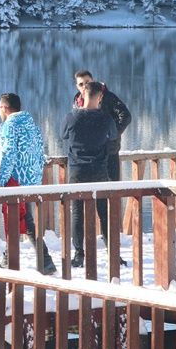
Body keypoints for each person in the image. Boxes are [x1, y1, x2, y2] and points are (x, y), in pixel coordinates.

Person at [0, 92, 56, 275]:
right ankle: (33, 261)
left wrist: (1, 180)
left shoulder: (9, 125)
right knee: (23, 220)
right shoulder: (31, 125)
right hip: (32, 180)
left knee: (21, 219)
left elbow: (9, 154)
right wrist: (36, 177)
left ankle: (43, 261)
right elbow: (40, 153)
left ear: (4, 108)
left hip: (16, 182)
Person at [60, 80, 119, 268]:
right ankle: (112, 251)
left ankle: (79, 253)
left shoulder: (71, 117)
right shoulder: (106, 119)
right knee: (104, 212)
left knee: (77, 212)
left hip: (77, 171)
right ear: (100, 97)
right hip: (99, 170)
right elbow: (113, 136)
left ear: (82, 95)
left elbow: (63, 135)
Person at [72, 69, 131, 182]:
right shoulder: (77, 101)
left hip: (109, 152)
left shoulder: (107, 97)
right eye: (81, 84)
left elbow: (126, 116)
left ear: (93, 81)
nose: (84, 86)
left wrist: (111, 135)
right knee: (88, 190)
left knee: (112, 188)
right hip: (87, 155)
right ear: (77, 86)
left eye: (87, 82)